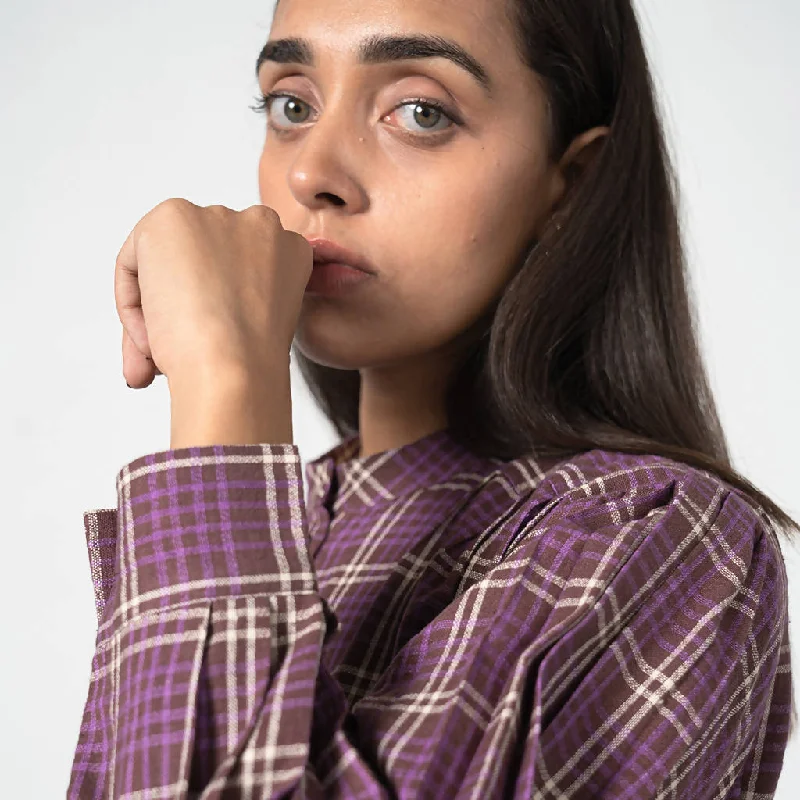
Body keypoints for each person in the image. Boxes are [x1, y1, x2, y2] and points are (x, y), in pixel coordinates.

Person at [68, 0, 797, 797]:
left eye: (420, 111)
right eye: (291, 104)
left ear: (572, 182)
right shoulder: (285, 511)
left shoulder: (659, 537)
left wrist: (226, 382)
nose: (312, 172)